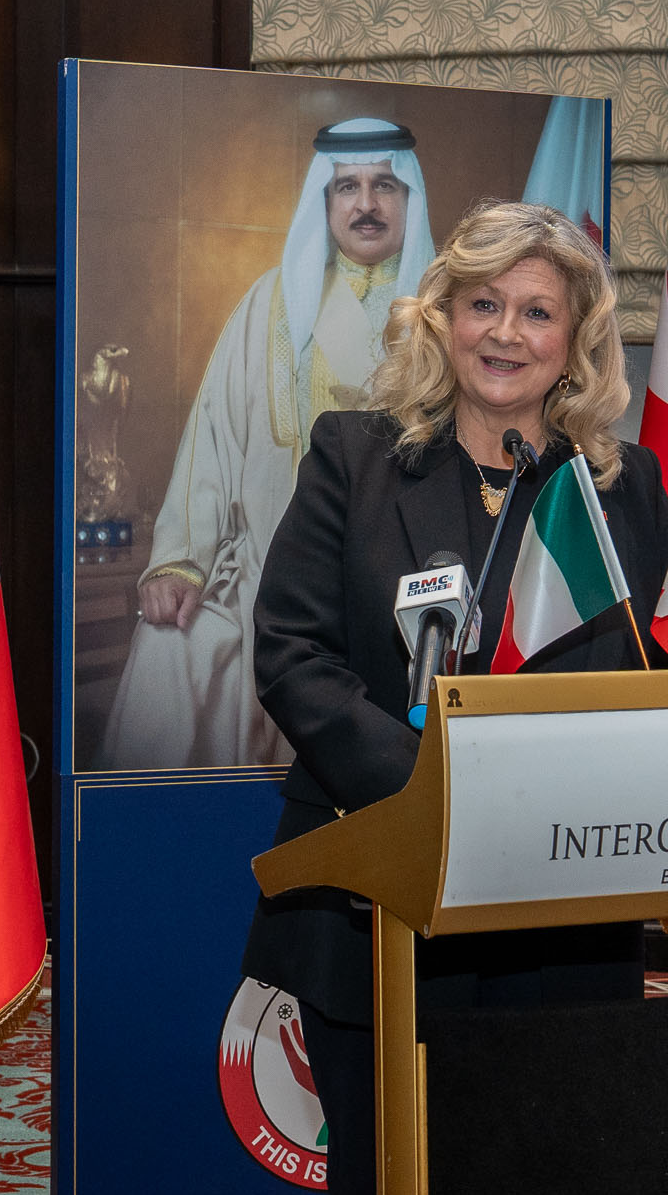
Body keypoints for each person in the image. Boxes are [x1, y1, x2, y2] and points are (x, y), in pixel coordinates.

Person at [240, 200, 668, 1195]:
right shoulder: (355, 456)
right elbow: (292, 656)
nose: (506, 332)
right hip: (377, 905)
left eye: (537, 310)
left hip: (558, 920)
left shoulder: (617, 492)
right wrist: (436, 793)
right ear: (440, 316)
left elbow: (647, 680)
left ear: (576, 339)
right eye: (483, 303)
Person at [99, 118, 435, 769]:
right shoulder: (270, 302)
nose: (365, 204)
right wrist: (179, 560)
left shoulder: (449, 312)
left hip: (402, 581)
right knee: (168, 649)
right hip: (266, 571)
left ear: (409, 198)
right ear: (325, 201)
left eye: (384, 186)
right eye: (347, 187)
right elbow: (214, 436)